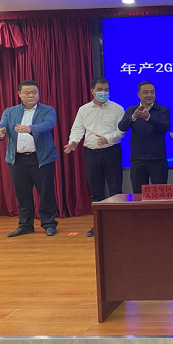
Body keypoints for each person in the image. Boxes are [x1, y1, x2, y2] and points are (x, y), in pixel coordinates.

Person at [0, 80, 59, 237]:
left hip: (41, 159)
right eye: (27, 93)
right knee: (22, 193)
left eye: (34, 92)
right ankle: (25, 225)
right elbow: (0, 126)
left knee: (46, 192)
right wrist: (0, 132)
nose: (31, 95)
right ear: (19, 94)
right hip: (17, 160)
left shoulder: (47, 110)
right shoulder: (10, 111)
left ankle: (49, 224)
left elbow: (48, 124)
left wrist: (30, 128)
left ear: (38, 93)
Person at [64, 77, 125, 237]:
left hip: (111, 152)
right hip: (91, 153)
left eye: (106, 90)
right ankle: (98, 224)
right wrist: (73, 142)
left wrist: (108, 138)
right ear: (92, 91)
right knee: (96, 192)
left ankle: (117, 224)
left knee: (115, 190)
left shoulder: (117, 108)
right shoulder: (84, 109)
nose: (103, 92)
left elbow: (121, 131)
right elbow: (77, 129)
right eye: (100, 90)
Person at [118, 81, 170, 194]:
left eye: (152, 92)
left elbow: (165, 126)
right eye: (145, 92)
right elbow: (121, 127)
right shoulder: (132, 110)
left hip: (158, 160)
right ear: (138, 94)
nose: (149, 95)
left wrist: (148, 118)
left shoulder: (162, 110)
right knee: (138, 194)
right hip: (138, 160)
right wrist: (133, 117)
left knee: (160, 195)